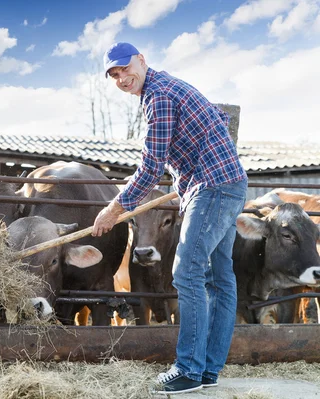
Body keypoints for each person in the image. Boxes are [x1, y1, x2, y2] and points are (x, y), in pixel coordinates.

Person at [92, 42, 248, 395]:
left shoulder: (157, 96)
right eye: (114, 74)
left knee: (187, 272)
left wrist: (113, 209)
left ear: (142, 60)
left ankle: (189, 370)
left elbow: (149, 168)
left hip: (213, 188)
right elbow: (218, 119)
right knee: (220, 278)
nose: (121, 77)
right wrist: (189, 176)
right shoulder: (172, 86)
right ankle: (208, 370)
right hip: (228, 183)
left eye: (124, 68)